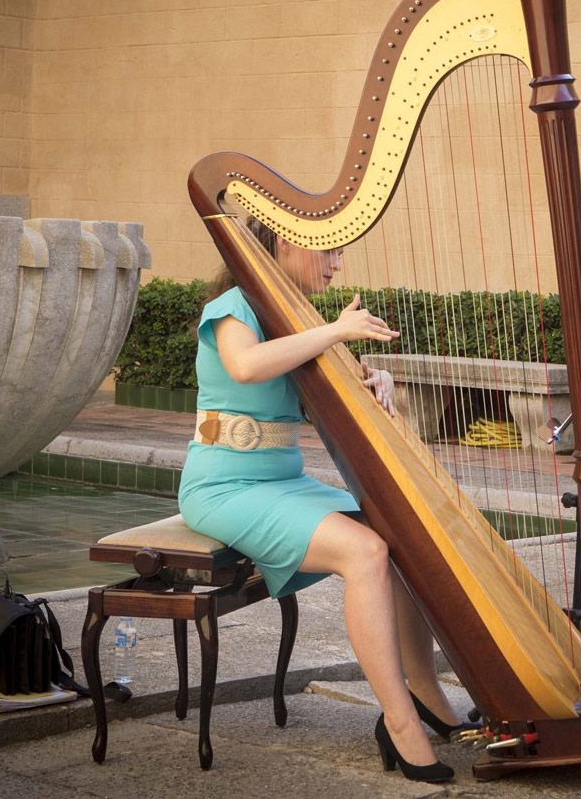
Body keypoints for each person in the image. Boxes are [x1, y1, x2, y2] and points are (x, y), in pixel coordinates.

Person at [179, 220, 471, 783]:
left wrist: (378, 379)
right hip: (224, 486)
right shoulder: (232, 307)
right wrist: (335, 331)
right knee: (365, 551)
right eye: (331, 250)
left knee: (402, 531)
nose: (337, 264)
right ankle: (399, 722)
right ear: (287, 242)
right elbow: (246, 366)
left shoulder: (297, 318)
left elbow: (336, 393)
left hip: (284, 482)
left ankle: (426, 692)